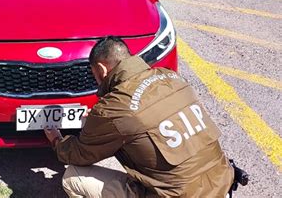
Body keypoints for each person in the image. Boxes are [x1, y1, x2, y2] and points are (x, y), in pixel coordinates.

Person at [44, 36, 234, 197]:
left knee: (72, 176)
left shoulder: (115, 106)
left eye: (94, 74)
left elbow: (78, 154)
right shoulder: (171, 78)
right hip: (221, 182)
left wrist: (56, 140)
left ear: (102, 70)